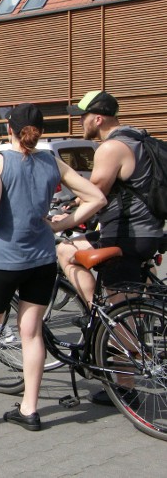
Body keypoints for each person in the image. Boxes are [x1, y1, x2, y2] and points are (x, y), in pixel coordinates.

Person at [0, 103, 105, 431]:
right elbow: (96, 198)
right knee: (31, 333)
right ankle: (29, 410)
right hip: (43, 261)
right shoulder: (51, 161)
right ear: (41, 130)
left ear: (9, 128)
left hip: (4, 261)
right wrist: (60, 226)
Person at [56, 90, 163, 405]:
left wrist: (61, 221)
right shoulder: (140, 140)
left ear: (97, 118)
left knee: (65, 250)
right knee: (126, 301)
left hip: (125, 236)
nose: (80, 120)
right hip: (150, 234)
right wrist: (72, 202)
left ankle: (103, 321)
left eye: (82, 115)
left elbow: (96, 193)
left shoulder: (111, 148)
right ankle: (110, 320)